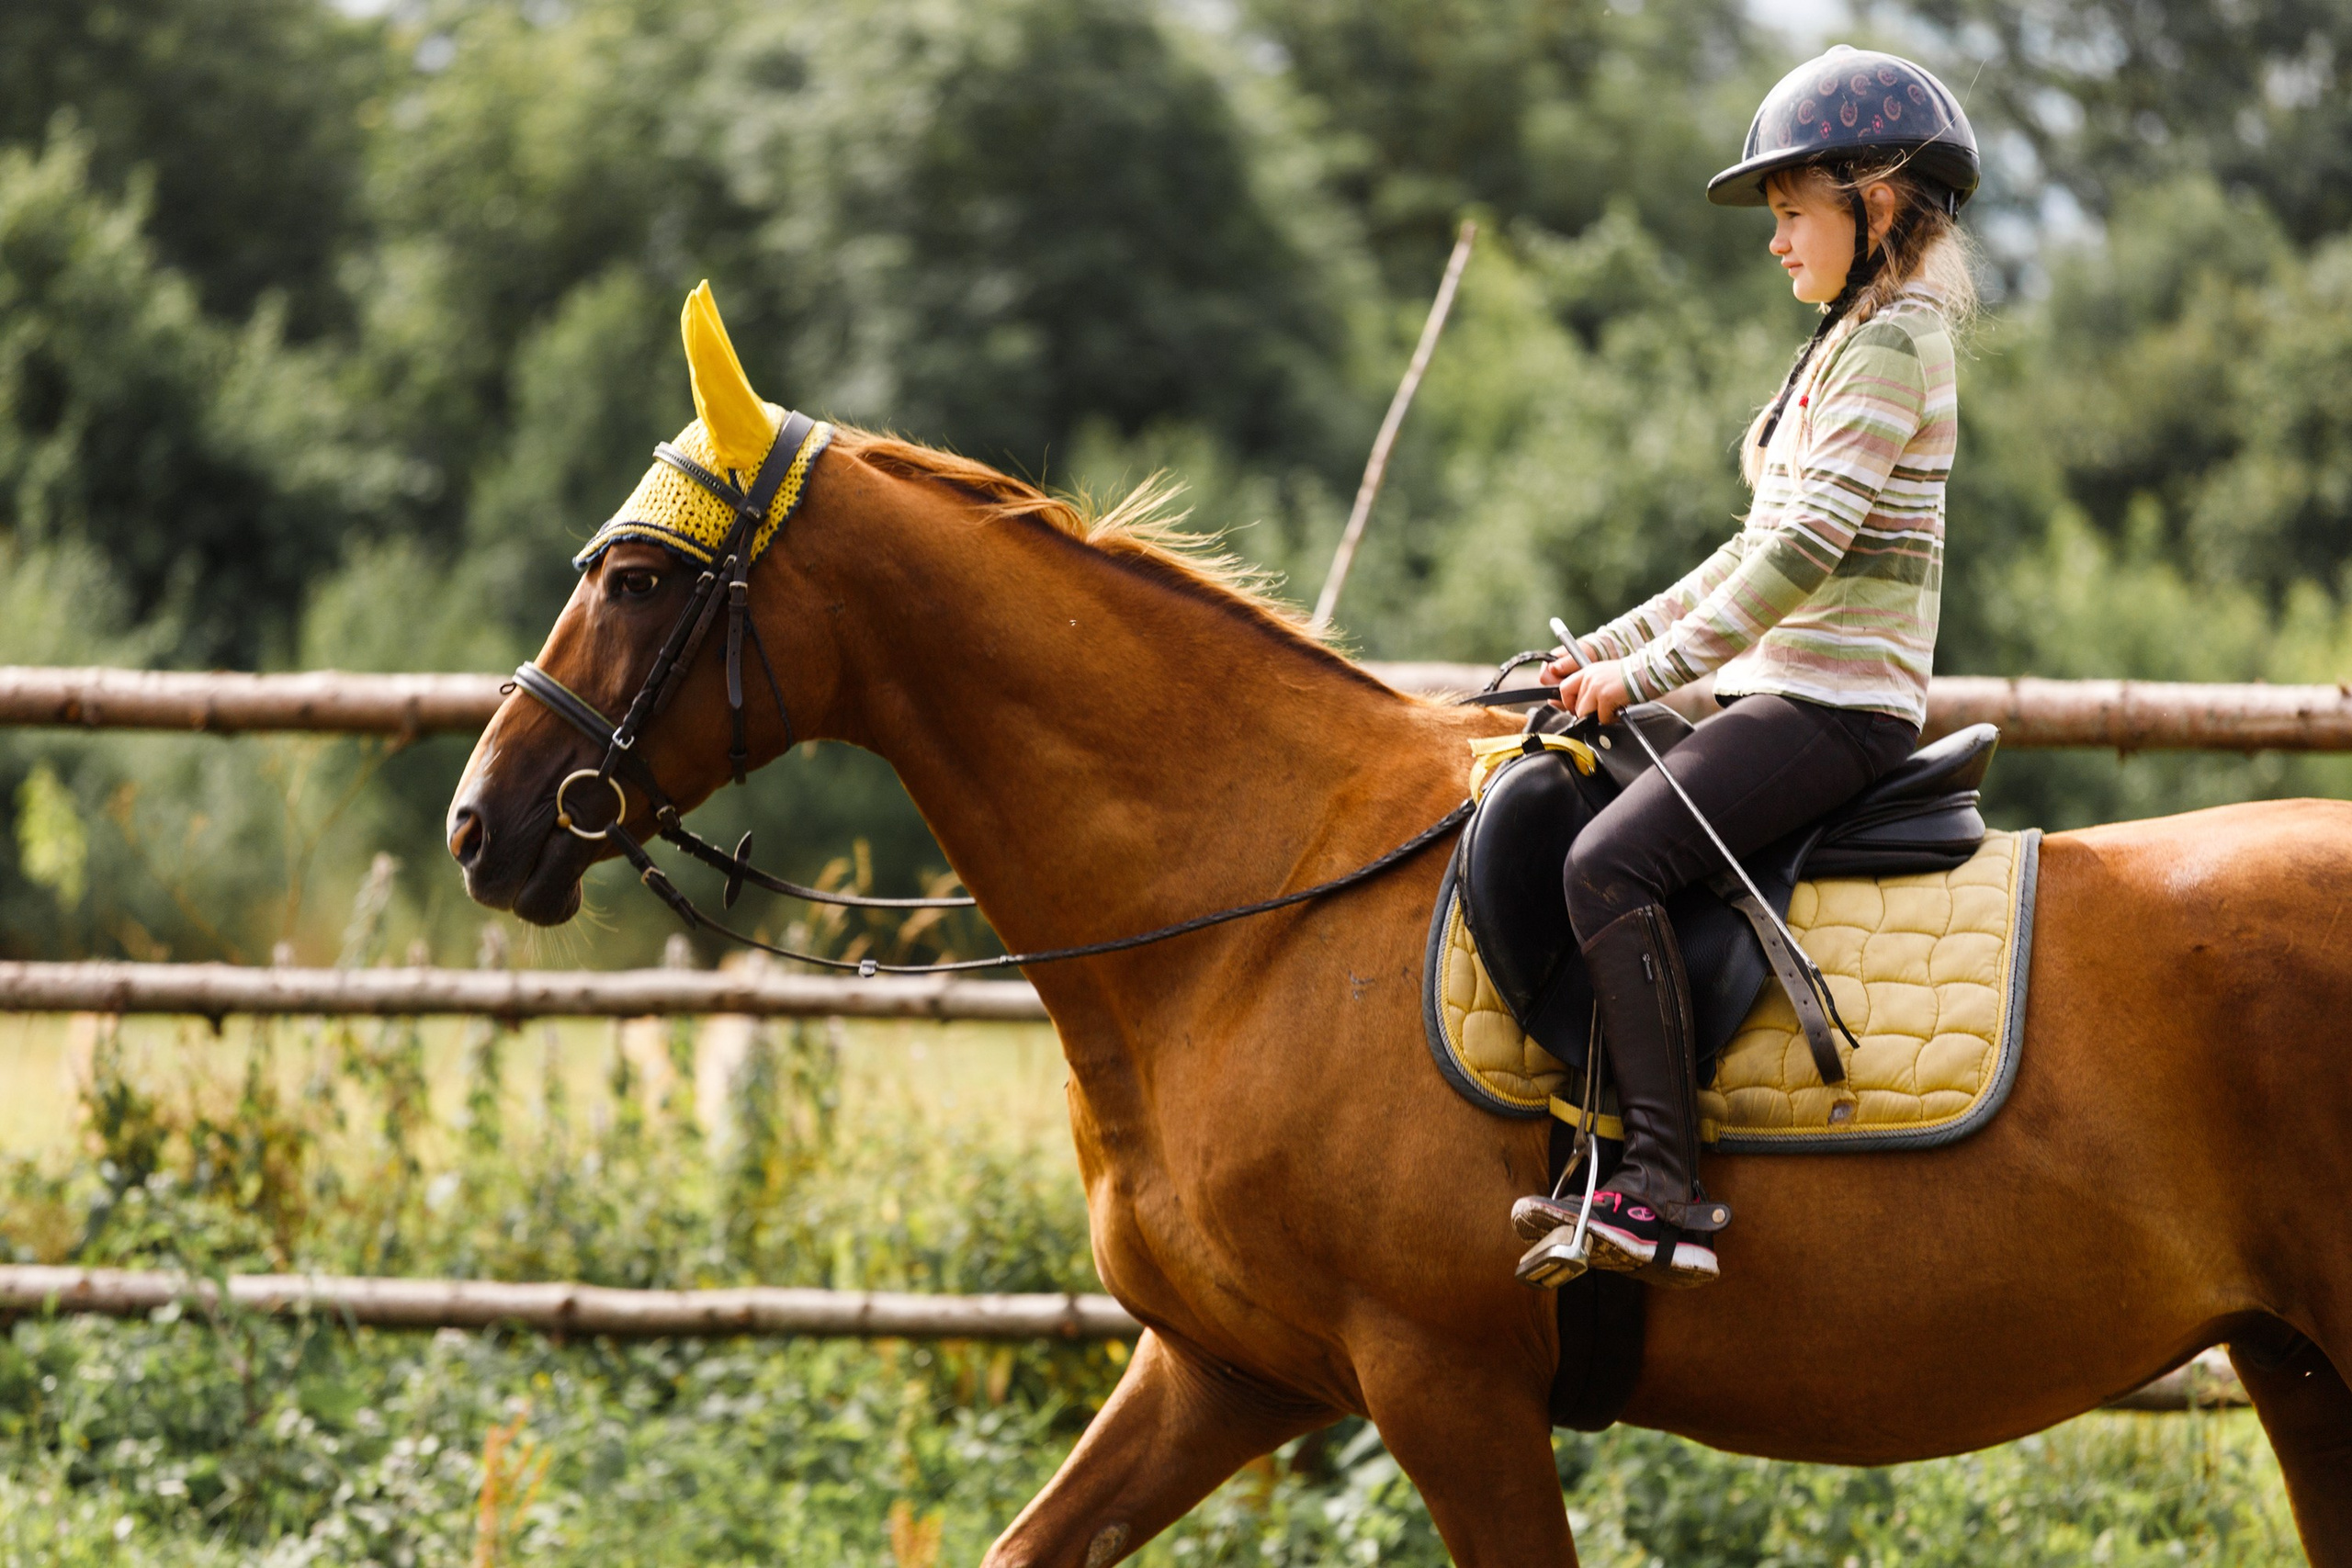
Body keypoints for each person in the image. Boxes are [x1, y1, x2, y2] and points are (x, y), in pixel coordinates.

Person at [1512, 46, 1980, 1287]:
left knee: (1610, 863)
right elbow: (1752, 546)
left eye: (1792, 215)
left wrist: (1653, 669)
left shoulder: (1892, 344)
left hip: (1836, 707)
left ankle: (1661, 1185)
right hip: (1785, 690)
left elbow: (1807, 553)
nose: (1776, 241)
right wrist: (1602, 654)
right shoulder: (1845, 342)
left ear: (1875, 204)